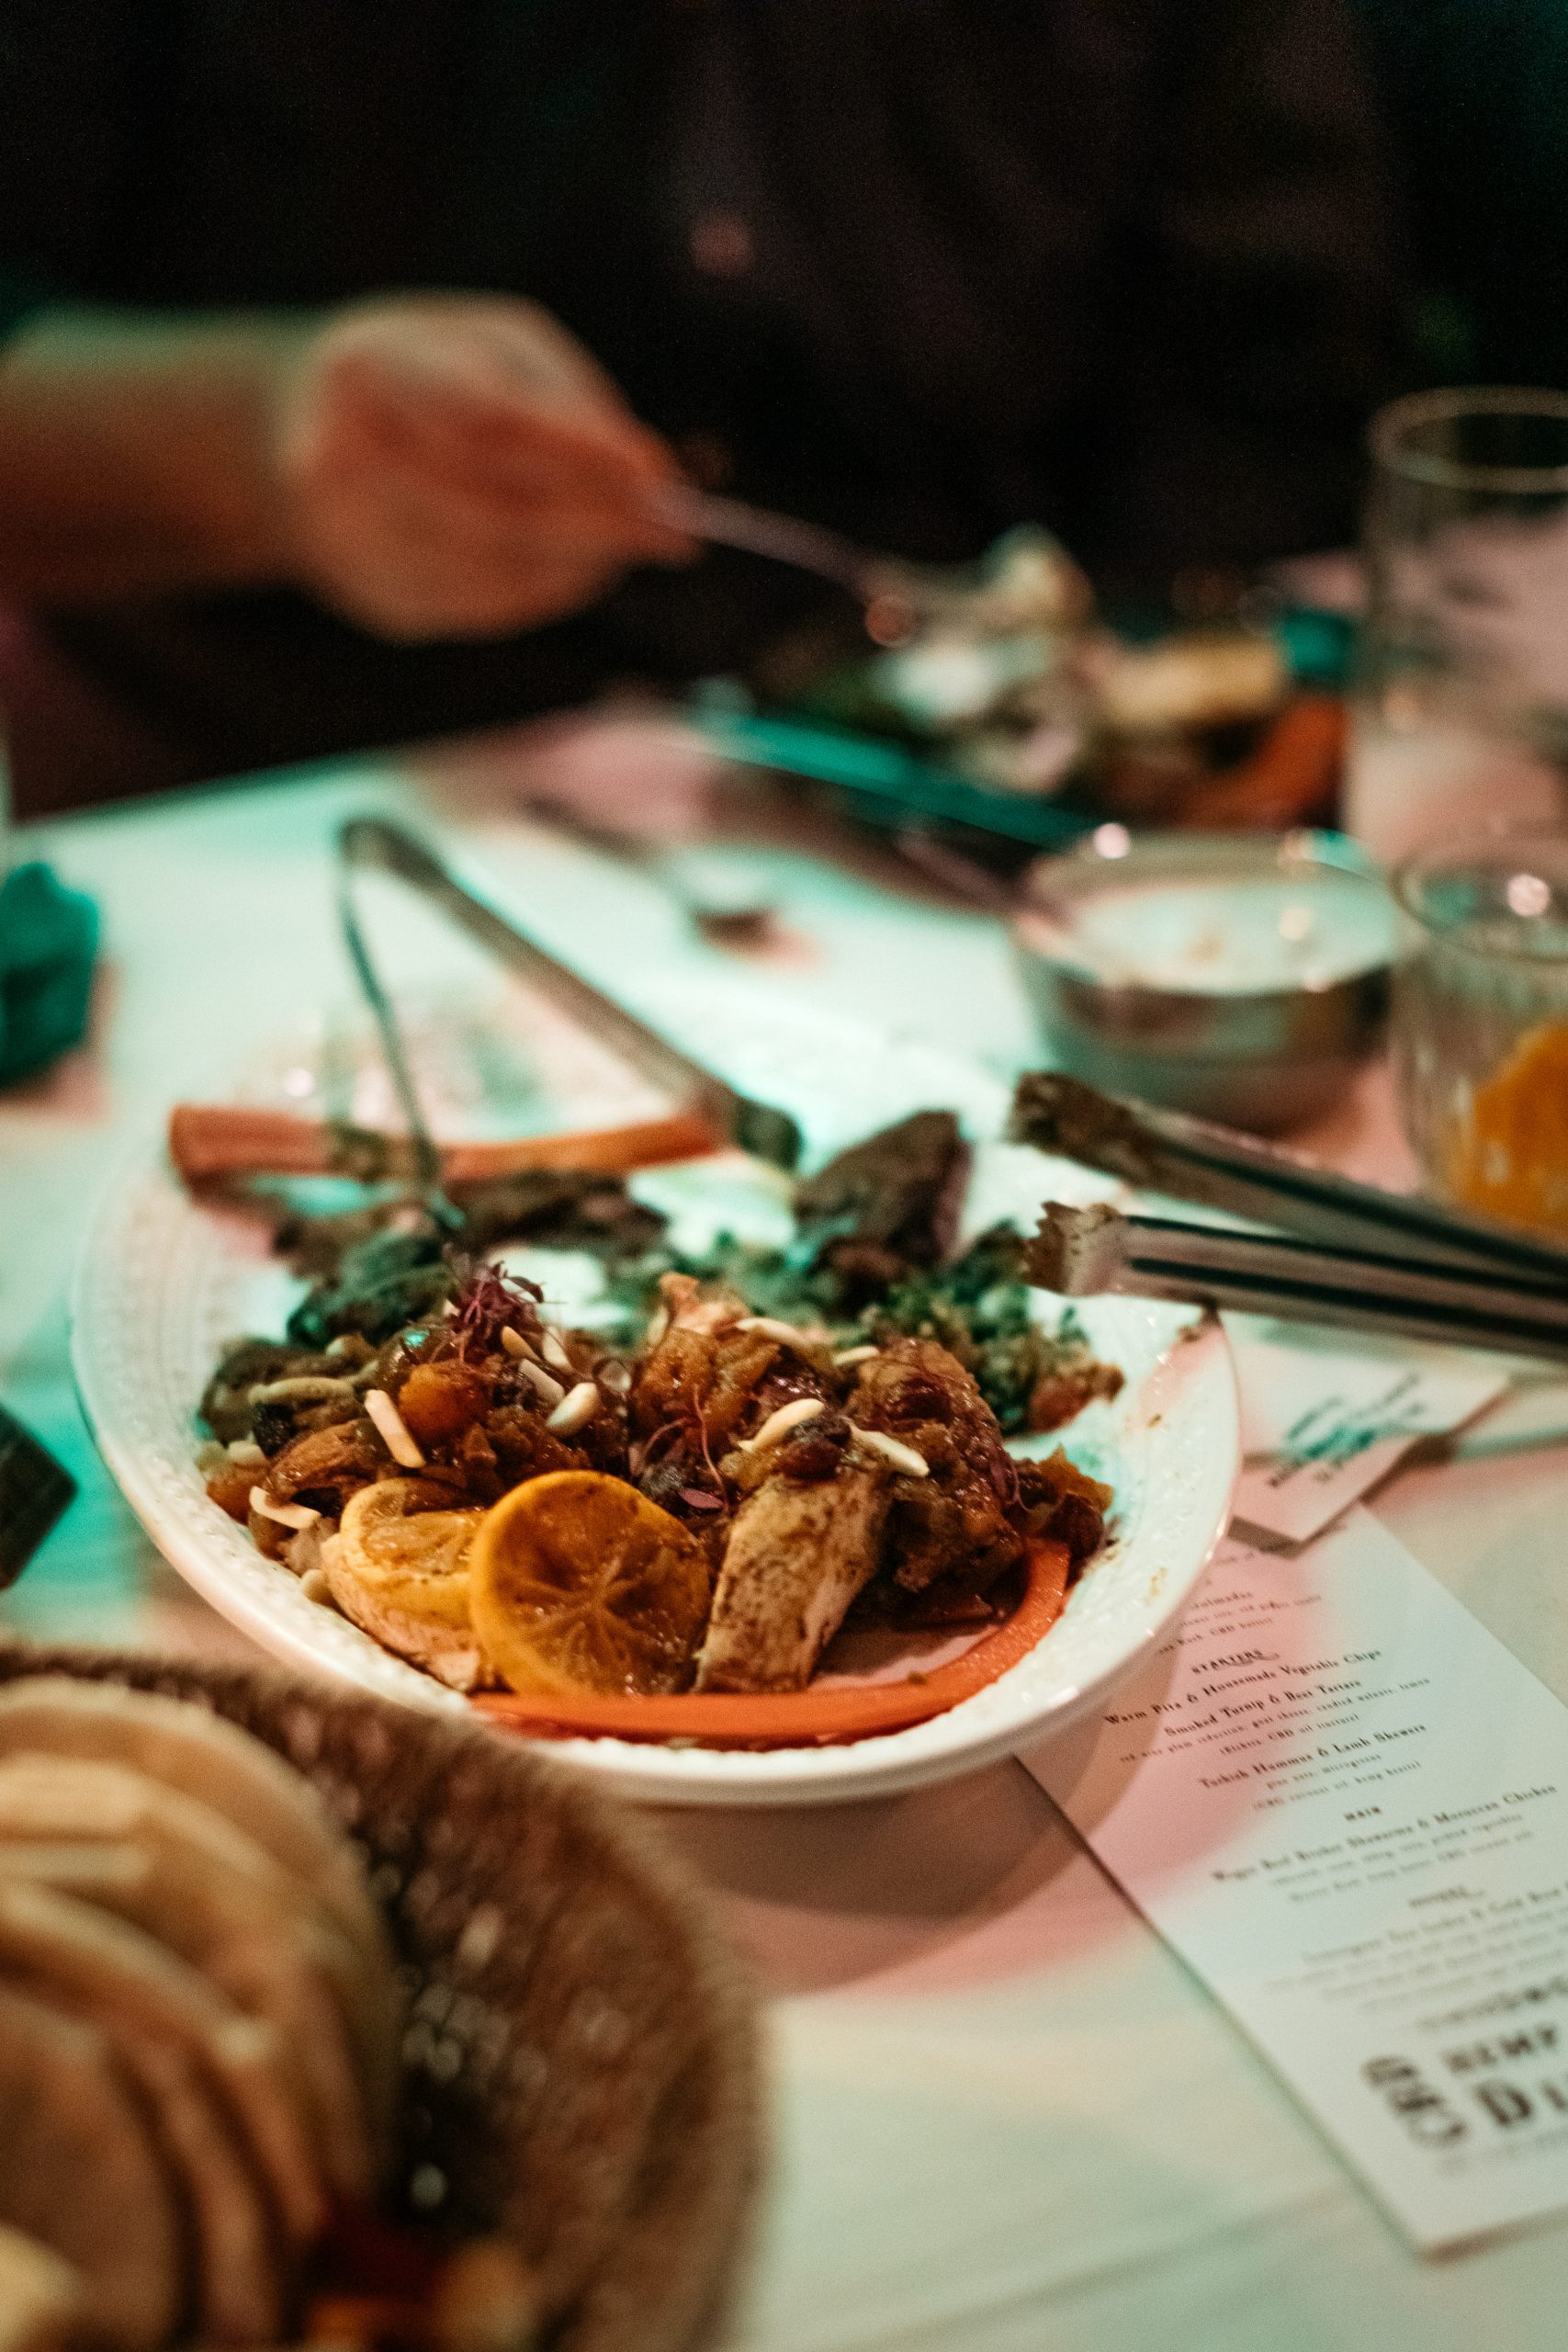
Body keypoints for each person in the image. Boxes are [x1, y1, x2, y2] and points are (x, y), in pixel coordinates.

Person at [0, 0, 1393, 813]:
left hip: (957, 823)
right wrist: (253, 443)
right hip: (279, 798)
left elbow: (1273, 395)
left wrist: (1208, 693)